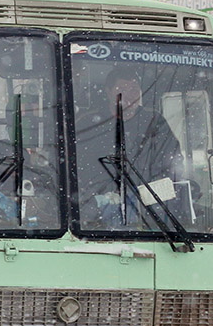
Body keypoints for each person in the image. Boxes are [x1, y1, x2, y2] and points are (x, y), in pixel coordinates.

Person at [76, 64, 185, 224]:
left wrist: (146, 194)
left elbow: (171, 164)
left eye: (134, 88)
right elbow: (77, 169)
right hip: (96, 211)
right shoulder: (88, 124)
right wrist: (101, 198)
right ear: (108, 90)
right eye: (122, 88)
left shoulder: (155, 122)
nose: (129, 94)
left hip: (148, 210)